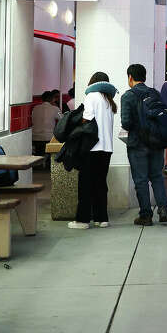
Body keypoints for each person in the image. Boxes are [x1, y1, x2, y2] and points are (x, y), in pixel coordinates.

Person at [119, 64, 167, 226]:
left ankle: (146, 215)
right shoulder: (155, 94)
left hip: (137, 144)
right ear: (145, 77)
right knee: (157, 176)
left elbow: (126, 123)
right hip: (156, 142)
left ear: (130, 77)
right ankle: (162, 209)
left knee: (140, 179)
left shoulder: (128, 96)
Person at [70, 73, 117, 229]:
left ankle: (82, 220)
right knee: (100, 184)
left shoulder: (91, 96)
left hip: (92, 148)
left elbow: (87, 118)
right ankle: (101, 218)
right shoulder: (109, 101)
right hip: (107, 148)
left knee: (85, 184)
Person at [31, 90, 61, 156]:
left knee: (38, 156)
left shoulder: (35, 108)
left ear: (42, 99)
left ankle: (39, 165)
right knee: (49, 157)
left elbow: (32, 120)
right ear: (52, 99)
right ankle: (47, 165)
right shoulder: (55, 109)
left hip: (35, 137)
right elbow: (62, 119)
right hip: (49, 137)